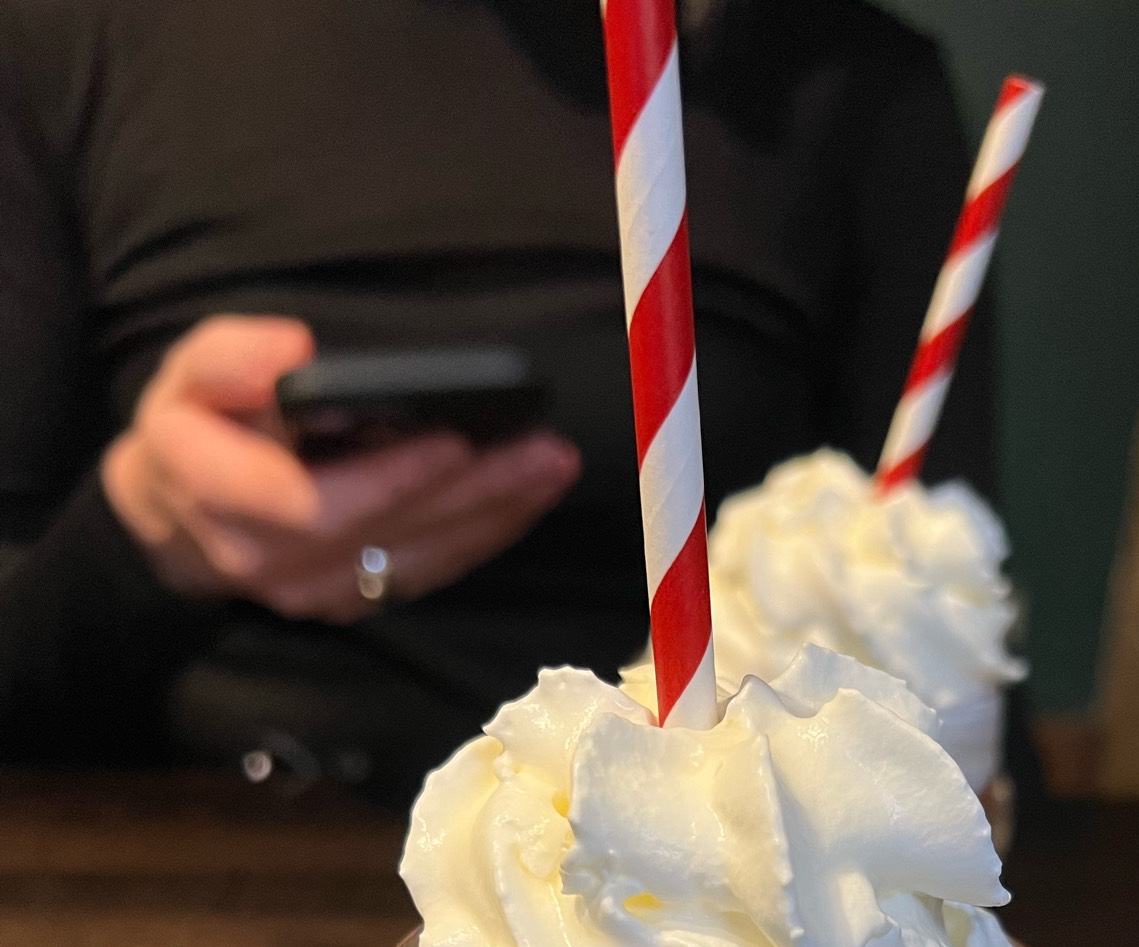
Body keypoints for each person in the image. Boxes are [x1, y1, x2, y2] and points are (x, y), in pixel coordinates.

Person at [0, 0, 998, 804]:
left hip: (681, 892)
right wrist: (143, 540)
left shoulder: (848, 89)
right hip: (184, 848)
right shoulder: (74, 37)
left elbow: (935, 616)